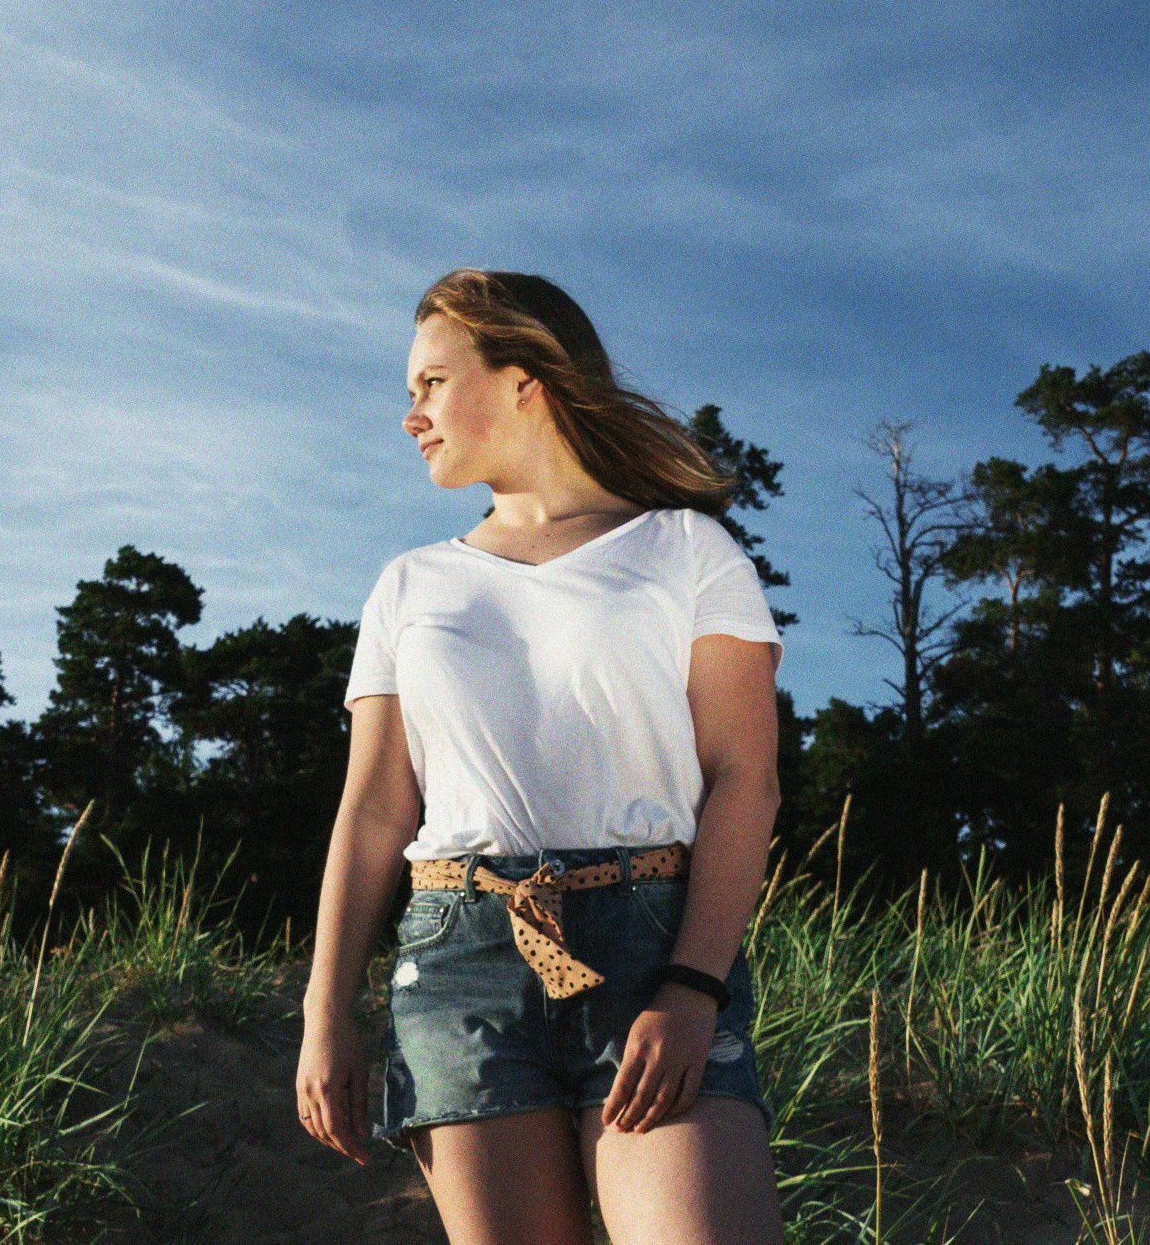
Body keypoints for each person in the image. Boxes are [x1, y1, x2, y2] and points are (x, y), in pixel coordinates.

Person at [296, 269, 787, 1245]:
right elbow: (374, 811)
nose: (410, 414)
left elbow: (745, 779)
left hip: (652, 943)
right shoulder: (408, 584)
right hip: (458, 957)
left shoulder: (687, 549)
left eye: (430, 382)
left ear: (526, 377)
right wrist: (325, 1010)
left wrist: (692, 986)